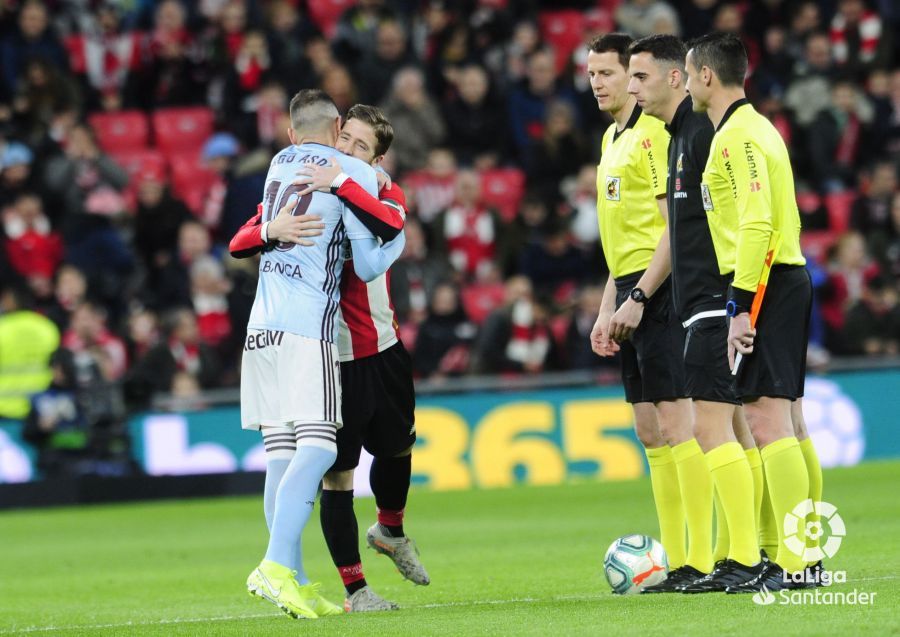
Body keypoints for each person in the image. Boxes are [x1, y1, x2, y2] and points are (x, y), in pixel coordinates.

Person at [230, 104, 429, 613]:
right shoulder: (309, 182)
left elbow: (384, 240)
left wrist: (345, 184)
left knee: (396, 450)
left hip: (380, 346)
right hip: (325, 350)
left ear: (377, 160)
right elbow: (244, 236)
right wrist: (273, 231)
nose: (344, 154)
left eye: (360, 148)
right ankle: (353, 589)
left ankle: (390, 529)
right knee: (333, 471)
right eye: (345, 142)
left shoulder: (377, 189)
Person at [625, 34, 760, 593]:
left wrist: (735, 298)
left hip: (714, 298)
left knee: (718, 428)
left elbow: (737, 217)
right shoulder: (678, 134)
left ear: (677, 77)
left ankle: (748, 557)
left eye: (640, 77)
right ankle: (747, 554)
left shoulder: (704, 134)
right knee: (732, 427)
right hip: (699, 302)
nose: (633, 88)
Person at [684, 32, 819, 593]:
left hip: (766, 281)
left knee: (766, 420)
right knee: (783, 418)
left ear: (707, 77)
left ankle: (798, 562)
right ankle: (805, 554)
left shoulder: (736, 138)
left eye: (689, 74)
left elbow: (758, 223)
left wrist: (740, 306)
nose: (687, 83)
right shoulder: (757, 128)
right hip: (782, 277)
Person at [586, 33, 695, 575]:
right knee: (649, 432)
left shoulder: (653, 136)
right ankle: (676, 556)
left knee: (677, 424)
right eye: (593, 75)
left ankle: (699, 558)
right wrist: (608, 306)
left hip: (660, 288)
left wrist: (637, 296)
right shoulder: (611, 139)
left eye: (609, 73)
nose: (601, 84)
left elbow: (671, 227)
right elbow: (621, 240)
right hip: (629, 288)